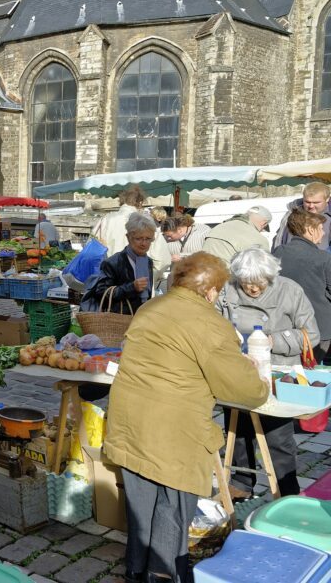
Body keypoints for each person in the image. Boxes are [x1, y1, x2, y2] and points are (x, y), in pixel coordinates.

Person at [105, 252, 269, 583]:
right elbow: (246, 390)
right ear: (210, 291)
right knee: (172, 512)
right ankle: (164, 576)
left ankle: (136, 572)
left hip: (130, 420)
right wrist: (259, 380)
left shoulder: (151, 307)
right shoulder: (208, 322)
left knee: (141, 510)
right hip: (173, 433)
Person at [218, 248, 319, 498]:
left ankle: (287, 490)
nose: (253, 289)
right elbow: (216, 327)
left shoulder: (290, 290)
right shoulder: (226, 290)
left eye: (259, 283)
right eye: (247, 283)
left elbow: (311, 334)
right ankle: (242, 483)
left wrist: (274, 340)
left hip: (278, 373)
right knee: (239, 431)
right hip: (240, 371)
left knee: (278, 437)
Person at [274, 209, 331, 363]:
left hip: (284, 325)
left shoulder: (278, 252)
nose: (323, 233)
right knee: (309, 372)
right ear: (310, 230)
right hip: (318, 328)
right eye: (320, 229)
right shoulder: (323, 258)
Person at [92, 184, 171, 290]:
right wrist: (149, 275)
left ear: (121, 201)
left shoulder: (105, 220)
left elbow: (92, 250)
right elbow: (163, 260)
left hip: (109, 281)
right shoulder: (146, 223)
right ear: (140, 202)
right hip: (139, 283)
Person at [82, 212, 157, 315]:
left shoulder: (148, 261)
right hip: (118, 321)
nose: (144, 243)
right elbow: (101, 293)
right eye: (139, 238)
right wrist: (131, 287)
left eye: (148, 239)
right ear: (128, 237)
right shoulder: (113, 262)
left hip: (140, 319)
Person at [202, 205, 272, 264]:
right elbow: (263, 270)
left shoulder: (218, 227)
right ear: (264, 223)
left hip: (203, 275)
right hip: (228, 278)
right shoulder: (258, 239)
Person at [272, 182, 331, 250]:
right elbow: (279, 239)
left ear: (327, 199)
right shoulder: (292, 213)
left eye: (316, 202)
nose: (311, 206)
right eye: (307, 202)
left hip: (324, 259)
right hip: (291, 257)